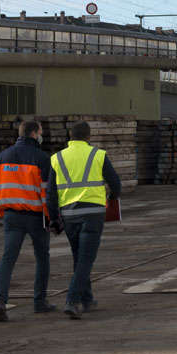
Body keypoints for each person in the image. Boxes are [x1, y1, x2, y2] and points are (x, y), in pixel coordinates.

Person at [0, 120, 61, 322]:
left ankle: (0, 302)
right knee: (42, 258)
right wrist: (53, 219)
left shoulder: (1, 157)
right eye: (40, 132)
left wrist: (3, 211)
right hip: (36, 217)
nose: (42, 135)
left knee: (8, 259)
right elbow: (48, 194)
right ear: (33, 134)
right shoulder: (42, 159)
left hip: (11, 216)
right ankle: (40, 302)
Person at [50, 120, 121, 320]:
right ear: (88, 137)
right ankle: (72, 301)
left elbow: (51, 194)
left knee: (79, 257)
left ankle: (87, 299)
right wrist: (112, 197)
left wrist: (54, 218)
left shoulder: (56, 158)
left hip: (69, 215)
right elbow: (116, 183)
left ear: (70, 137)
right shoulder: (98, 155)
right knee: (86, 260)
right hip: (93, 214)